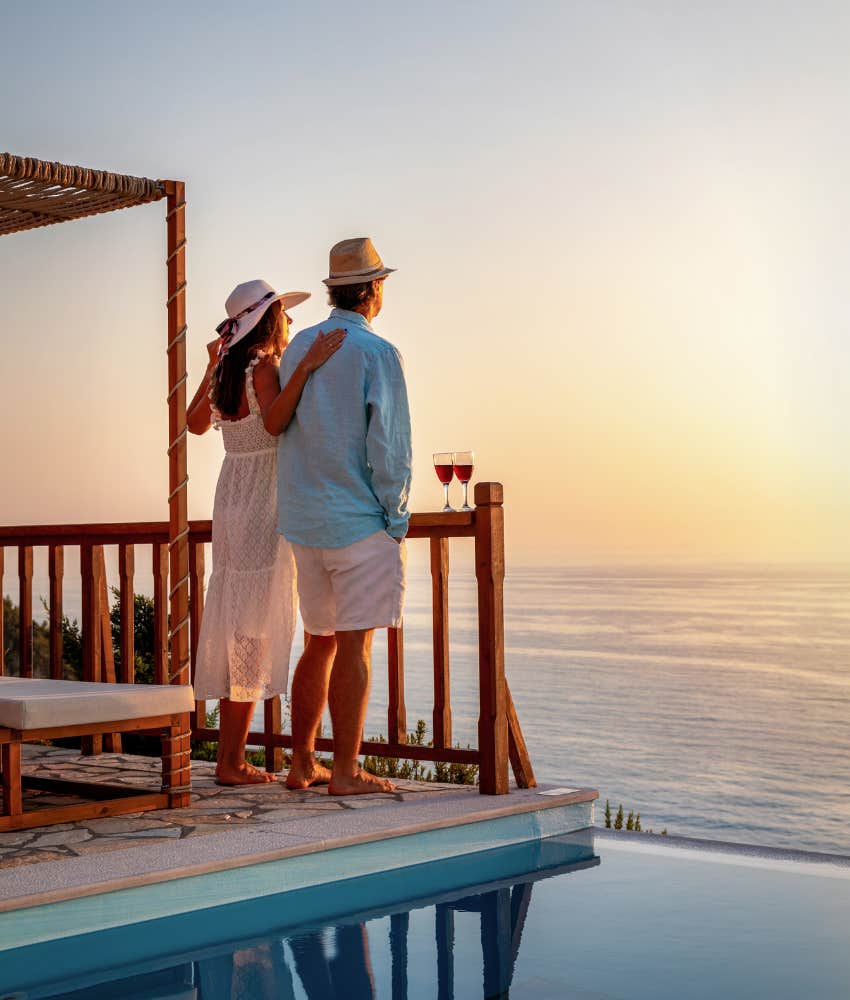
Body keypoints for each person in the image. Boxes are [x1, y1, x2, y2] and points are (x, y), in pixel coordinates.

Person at [187, 279, 345, 784]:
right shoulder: (264, 367)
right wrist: (306, 367)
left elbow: (192, 424)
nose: (292, 323)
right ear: (270, 320)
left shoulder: (228, 370)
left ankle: (229, 756)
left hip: (232, 493)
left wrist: (212, 361)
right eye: (285, 315)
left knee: (242, 618)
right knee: (253, 625)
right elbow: (276, 424)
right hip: (265, 496)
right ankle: (231, 761)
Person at [278, 238, 412, 795]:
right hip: (358, 521)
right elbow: (390, 446)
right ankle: (347, 772)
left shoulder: (299, 347)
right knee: (355, 646)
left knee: (319, 641)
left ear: (335, 290)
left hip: (305, 523)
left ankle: (303, 762)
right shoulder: (376, 353)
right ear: (375, 290)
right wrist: (395, 518)